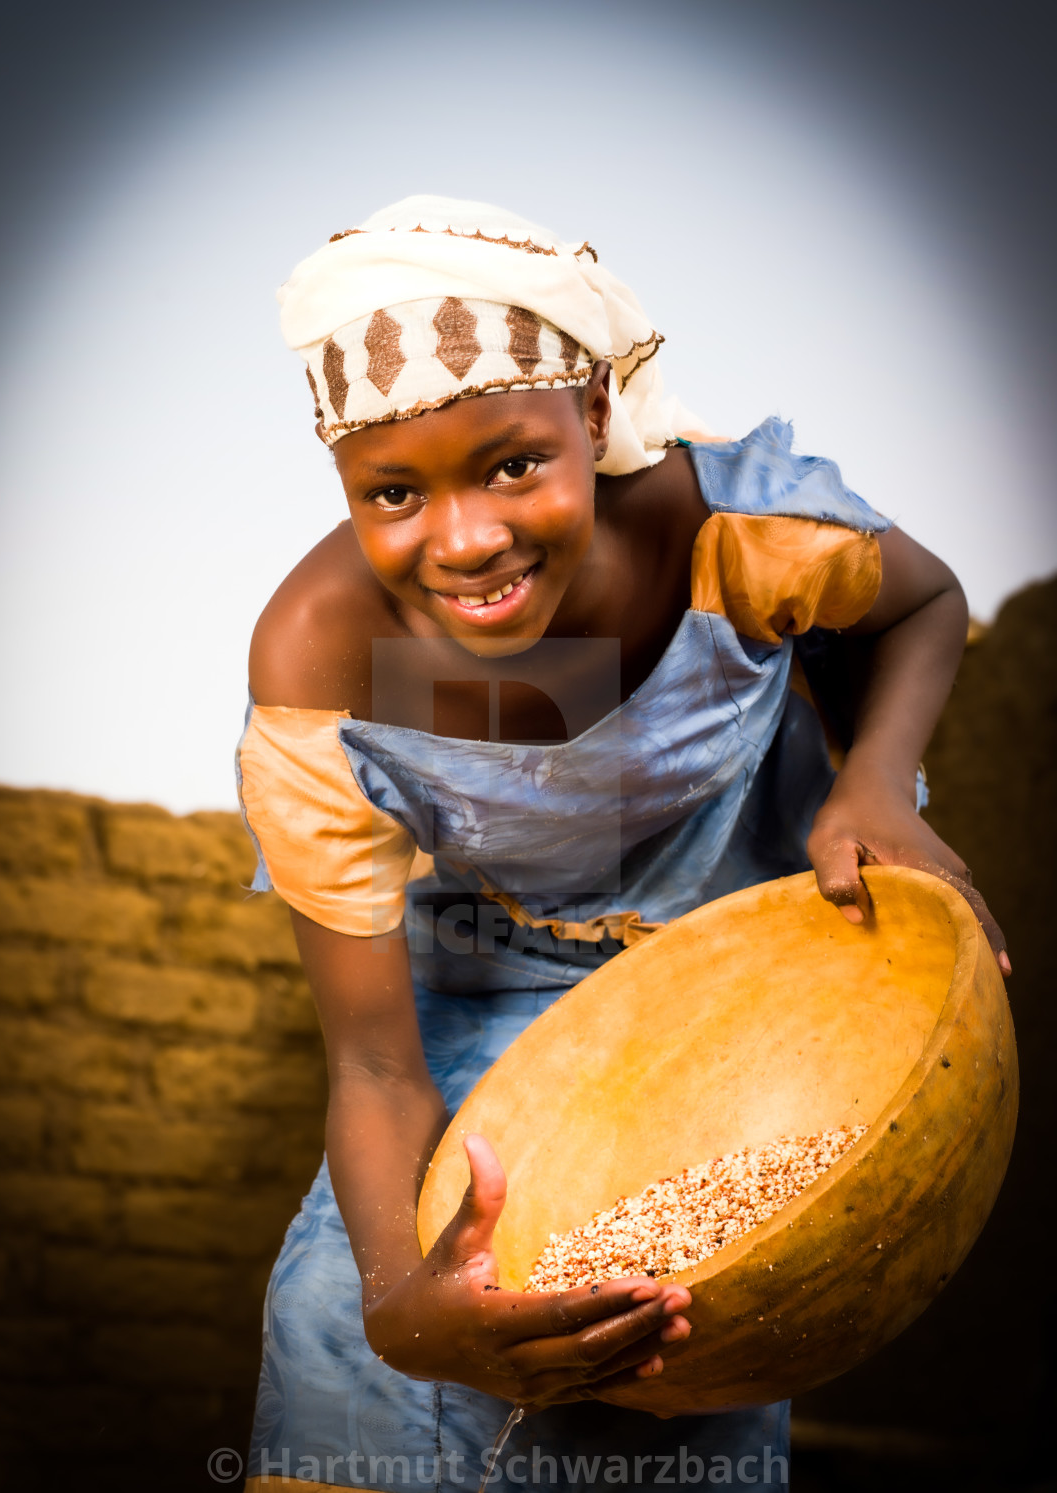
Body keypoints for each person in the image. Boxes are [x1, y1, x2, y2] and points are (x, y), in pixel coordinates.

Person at [236, 196, 1008, 1492]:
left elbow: (922, 600)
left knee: (675, 1345)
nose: (467, 536)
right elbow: (375, 1067)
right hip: (483, 992)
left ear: (593, 416)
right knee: (341, 1332)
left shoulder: (726, 533)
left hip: (739, 984)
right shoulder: (319, 659)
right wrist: (395, 1304)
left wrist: (874, 783)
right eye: (393, 492)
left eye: (513, 465)